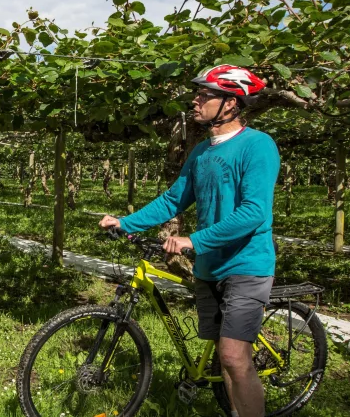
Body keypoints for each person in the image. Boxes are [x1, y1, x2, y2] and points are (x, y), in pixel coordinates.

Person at [99, 65, 278, 417]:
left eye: (205, 95)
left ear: (230, 103)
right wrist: (126, 221)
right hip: (210, 267)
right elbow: (173, 199)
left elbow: (254, 212)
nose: (195, 101)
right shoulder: (200, 153)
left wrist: (192, 240)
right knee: (222, 359)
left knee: (233, 356)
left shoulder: (258, 146)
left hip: (247, 264)